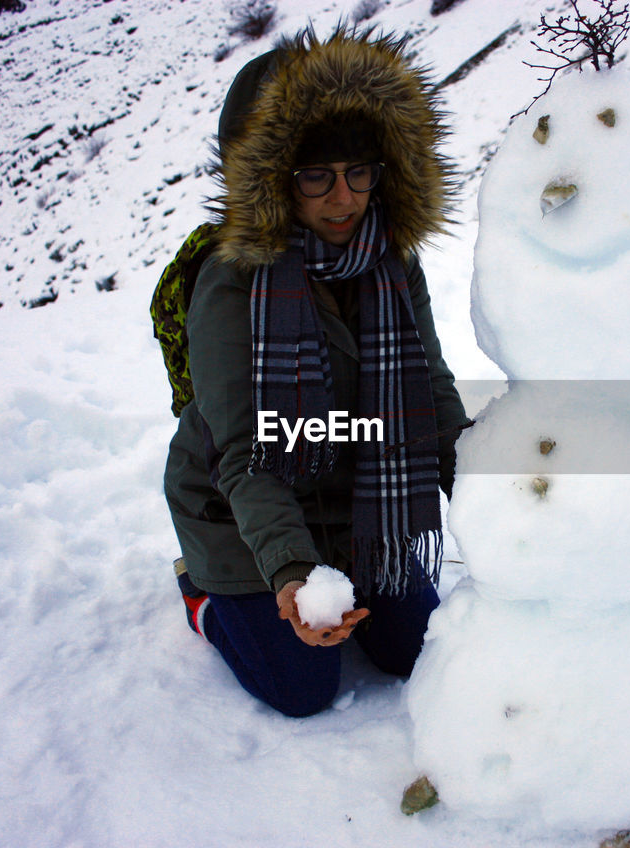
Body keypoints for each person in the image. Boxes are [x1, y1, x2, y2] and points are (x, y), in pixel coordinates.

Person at [162, 27, 467, 718]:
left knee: (417, 647)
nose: (344, 199)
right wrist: (294, 574)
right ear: (272, 179)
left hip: (356, 501)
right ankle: (201, 595)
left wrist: (495, 502)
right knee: (302, 687)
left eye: (360, 172)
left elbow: (432, 394)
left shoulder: (391, 262)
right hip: (236, 507)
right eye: (316, 177)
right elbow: (243, 454)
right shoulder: (232, 285)